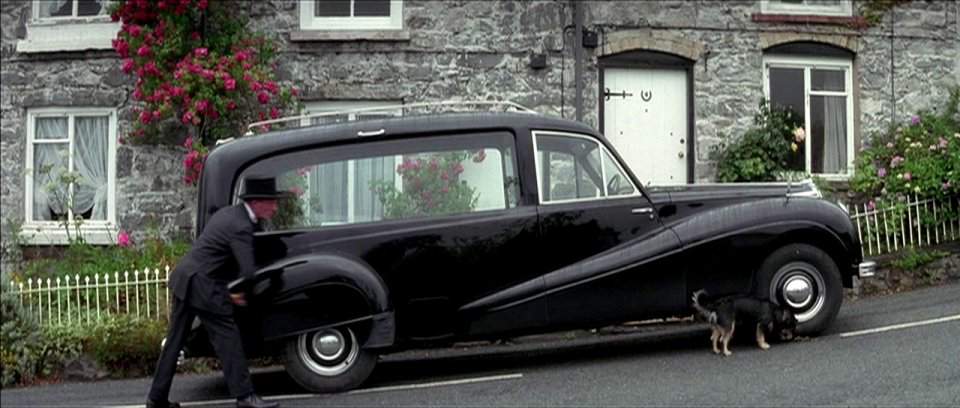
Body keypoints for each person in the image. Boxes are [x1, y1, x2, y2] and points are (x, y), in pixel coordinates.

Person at [147, 177, 287, 408]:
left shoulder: (228, 213)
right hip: (204, 285)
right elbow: (249, 272)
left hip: (185, 278)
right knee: (228, 340)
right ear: (257, 203)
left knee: (174, 342)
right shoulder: (241, 226)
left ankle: (156, 399)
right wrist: (239, 292)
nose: (275, 207)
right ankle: (245, 397)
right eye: (271, 202)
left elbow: (219, 255)